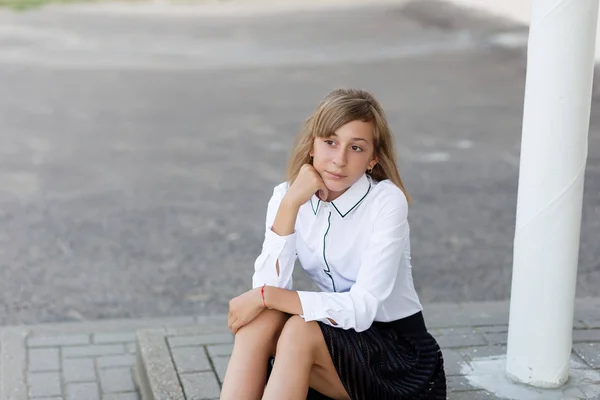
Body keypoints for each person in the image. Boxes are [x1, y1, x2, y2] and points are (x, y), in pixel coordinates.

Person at [220, 88, 446, 400]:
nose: (339, 160)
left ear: (373, 159)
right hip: (335, 340)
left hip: (396, 359)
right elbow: (267, 291)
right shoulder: (287, 195)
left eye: (356, 147)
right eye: (330, 142)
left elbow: (364, 308)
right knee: (260, 320)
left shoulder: (385, 201)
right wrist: (290, 206)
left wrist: (265, 295)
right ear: (311, 145)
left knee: (298, 328)